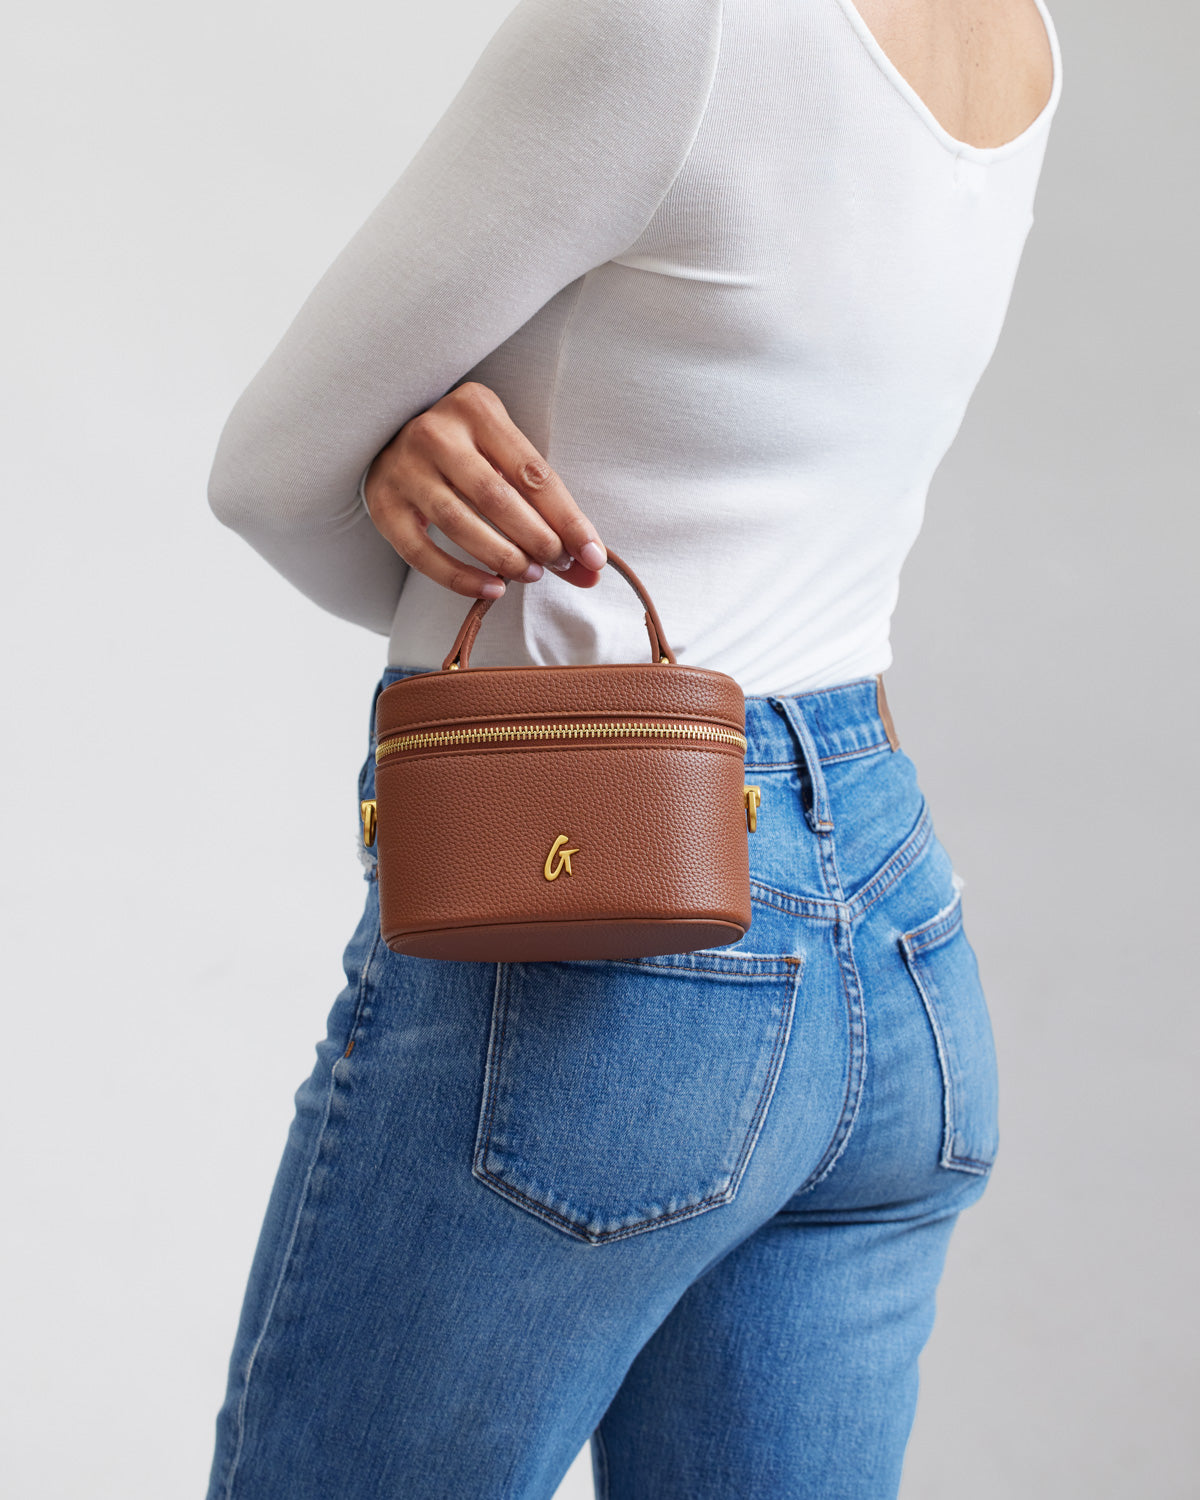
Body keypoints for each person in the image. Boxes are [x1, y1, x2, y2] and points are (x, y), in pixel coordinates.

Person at [203, 0, 1061, 1494]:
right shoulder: (1026, 36)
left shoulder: (684, 21)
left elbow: (271, 474)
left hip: (606, 916)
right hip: (898, 938)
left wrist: (421, 520)